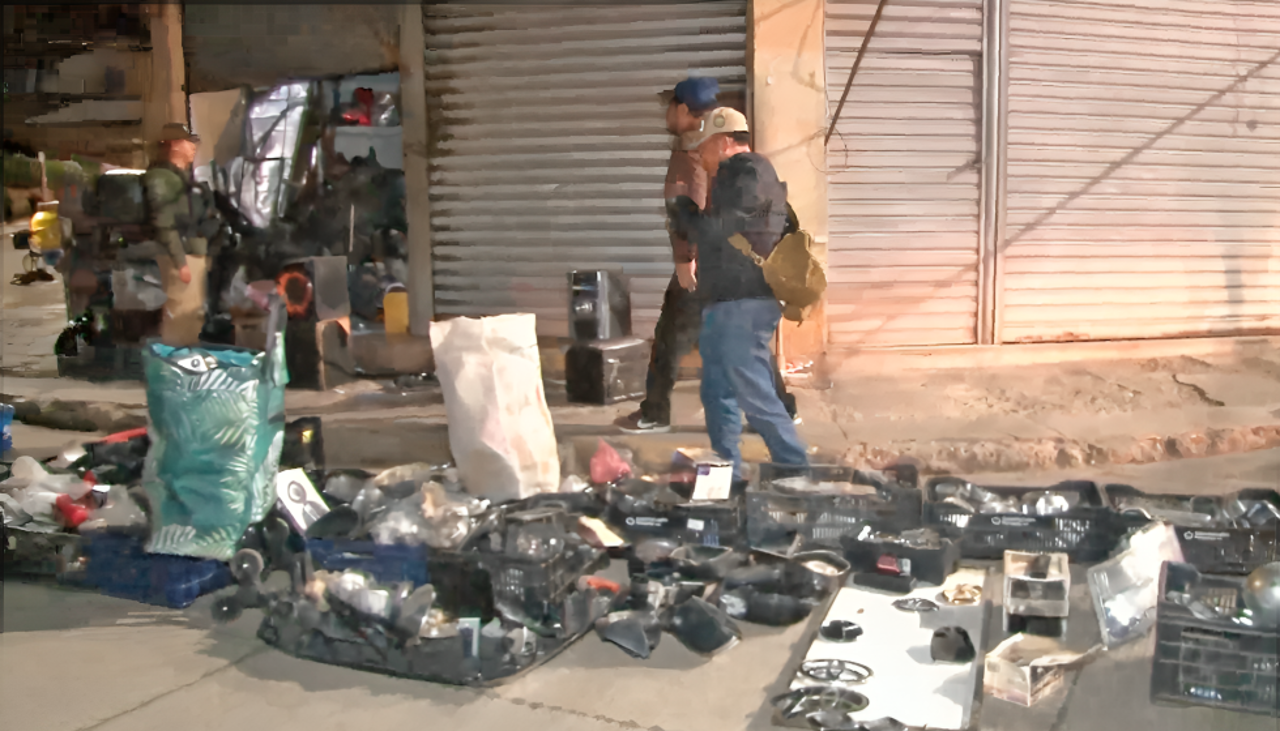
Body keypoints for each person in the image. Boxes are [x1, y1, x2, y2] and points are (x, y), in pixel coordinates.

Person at [617, 78, 797, 434]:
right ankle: (781, 407)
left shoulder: (693, 151)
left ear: (683, 110)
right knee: (743, 340)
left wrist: (686, 260)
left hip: (705, 262)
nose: (667, 115)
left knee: (672, 338)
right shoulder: (712, 145)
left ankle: (655, 413)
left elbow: (699, 205)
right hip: (722, 262)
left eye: (670, 107)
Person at [675, 107, 809, 479]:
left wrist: (688, 217)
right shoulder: (740, 176)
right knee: (718, 393)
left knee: (755, 395)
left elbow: (725, 230)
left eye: (702, 148)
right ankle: (725, 471)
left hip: (743, 302)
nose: (699, 158)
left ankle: (796, 470)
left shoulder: (748, 173)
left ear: (722, 141)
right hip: (725, 302)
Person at [142, 123, 211, 347]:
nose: (193, 147)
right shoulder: (161, 179)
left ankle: (184, 364)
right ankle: (177, 369)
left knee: (192, 315)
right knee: (182, 315)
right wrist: (180, 263)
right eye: (187, 142)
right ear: (173, 145)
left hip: (191, 252)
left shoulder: (179, 178)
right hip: (181, 254)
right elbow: (163, 222)